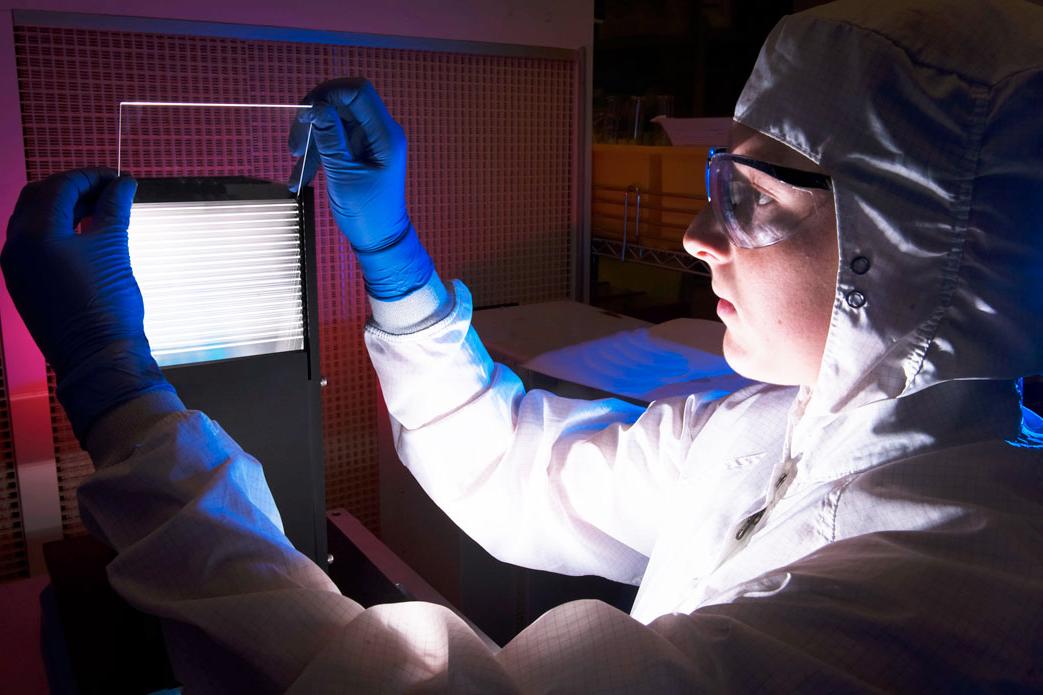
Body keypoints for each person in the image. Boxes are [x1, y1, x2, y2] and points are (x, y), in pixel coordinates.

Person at [4, 0, 1043, 691]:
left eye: (753, 198)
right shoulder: (769, 429)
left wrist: (124, 404)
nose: (694, 233)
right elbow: (510, 459)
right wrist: (395, 257)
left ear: (914, 250)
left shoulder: (954, 587)